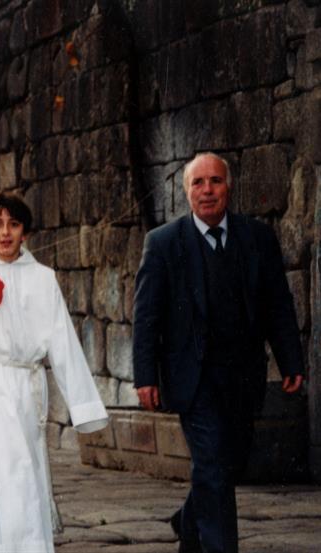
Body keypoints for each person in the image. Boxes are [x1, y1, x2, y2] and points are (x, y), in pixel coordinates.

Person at [133, 152, 304, 553]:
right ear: (186, 191)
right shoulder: (162, 244)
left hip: (243, 376)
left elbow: (278, 302)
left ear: (229, 186)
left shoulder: (256, 237)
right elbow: (147, 317)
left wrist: (291, 360)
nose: (207, 190)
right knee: (211, 467)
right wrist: (145, 376)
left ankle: (188, 523)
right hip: (193, 379)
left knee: (229, 465)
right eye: (198, 183)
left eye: (215, 181)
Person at [0, 190, 109, 553]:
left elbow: (62, 341)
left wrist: (85, 409)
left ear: (25, 233)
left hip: (28, 382)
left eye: (13, 225)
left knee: (27, 472)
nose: (5, 233)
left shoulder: (43, 278)